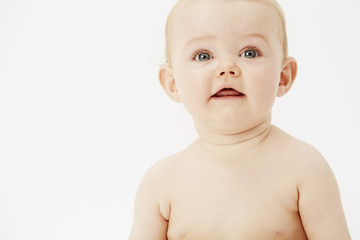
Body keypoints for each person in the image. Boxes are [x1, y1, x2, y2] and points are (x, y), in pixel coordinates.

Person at [129, 0, 352, 239]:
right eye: (203, 55)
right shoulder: (161, 184)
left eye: (249, 52)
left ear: (283, 77)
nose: (227, 68)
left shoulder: (305, 169)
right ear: (172, 83)